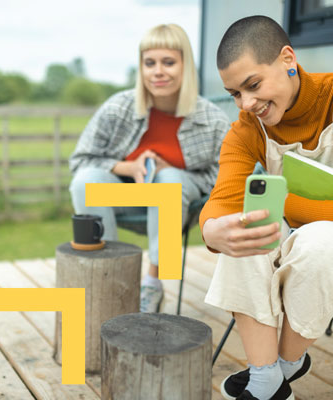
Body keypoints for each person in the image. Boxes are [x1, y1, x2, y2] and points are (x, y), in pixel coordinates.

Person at [199, 16, 333, 400]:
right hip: (289, 238)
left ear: (288, 58)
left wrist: (280, 200)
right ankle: (266, 377)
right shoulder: (247, 128)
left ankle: (282, 367)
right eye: (235, 93)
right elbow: (222, 198)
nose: (247, 104)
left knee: (317, 241)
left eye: (253, 85)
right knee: (245, 230)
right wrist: (211, 230)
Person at [69, 24, 230, 313]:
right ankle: (108, 277)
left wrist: (172, 170)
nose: (158, 71)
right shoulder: (117, 108)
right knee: (85, 181)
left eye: (168, 62)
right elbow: (80, 160)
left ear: (186, 66)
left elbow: (227, 174)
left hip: (180, 203)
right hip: (123, 198)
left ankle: (152, 285)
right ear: (141, 67)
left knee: (169, 182)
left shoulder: (212, 120)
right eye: (150, 63)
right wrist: (126, 167)